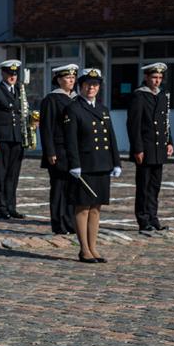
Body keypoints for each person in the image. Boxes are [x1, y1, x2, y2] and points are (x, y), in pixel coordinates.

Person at [64, 68, 122, 263]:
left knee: (96, 207)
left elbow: (111, 137)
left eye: (95, 85)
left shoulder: (103, 109)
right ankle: (84, 249)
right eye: (88, 84)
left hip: (102, 163)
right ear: (81, 86)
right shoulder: (74, 108)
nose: (91, 88)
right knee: (83, 207)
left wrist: (116, 162)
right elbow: (70, 139)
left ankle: (93, 247)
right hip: (84, 165)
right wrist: (74, 164)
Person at [128, 62, 174, 231]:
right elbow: (134, 125)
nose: (157, 81)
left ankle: (153, 217)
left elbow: (165, 122)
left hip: (159, 148)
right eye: (154, 77)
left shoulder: (162, 95)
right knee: (144, 186)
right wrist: (137, 149)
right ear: (146, 77)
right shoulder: (139, 96)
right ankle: (143, 219)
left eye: (160, 78)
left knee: (155, 186)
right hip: (146, 148)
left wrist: (170, 142)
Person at [39, 64, 79, 235]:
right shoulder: (51, 99)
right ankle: (58, 223)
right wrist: (50, 151)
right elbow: (46, 127)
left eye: (73, 77)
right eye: (67, 78)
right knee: (58, 189)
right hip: (58, 150)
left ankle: (70, 222)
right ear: (59, 80)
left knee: (72, 189)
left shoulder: (77, 98)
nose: (71, 80)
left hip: (74, 151)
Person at [0, 59, 26, 219]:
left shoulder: (19, 91)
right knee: (2, 173)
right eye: (9, 73)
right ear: (3, 73)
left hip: (17, 138)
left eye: (15, 74)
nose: (12, 77)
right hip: (2, 138)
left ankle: (11, 205)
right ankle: (1, 206)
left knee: (14, 174)